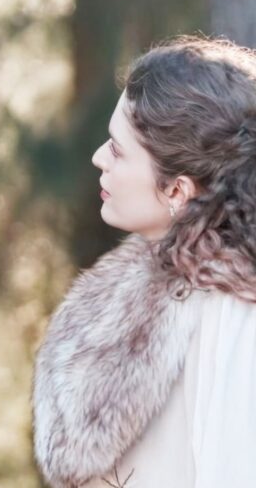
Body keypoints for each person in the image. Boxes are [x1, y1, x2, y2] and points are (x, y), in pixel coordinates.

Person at [33, 36, 256, 488]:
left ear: (176, 190)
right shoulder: (136, 289)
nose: (99, 157)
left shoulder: (233, 315)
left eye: (117, 150)